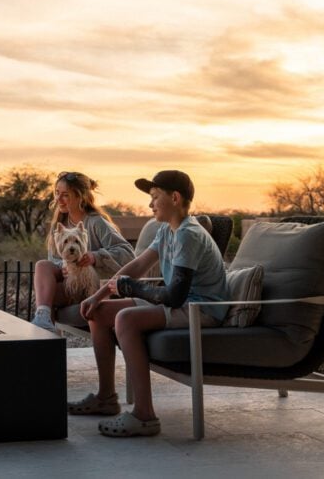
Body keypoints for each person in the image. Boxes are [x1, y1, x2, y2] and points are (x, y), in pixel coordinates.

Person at [75, 170, 228, 437]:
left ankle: (144, 415)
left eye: (155, 197)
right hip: (183, 305)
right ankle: (106, 397)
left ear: (175, 197)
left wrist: (132, 289)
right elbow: (137, 264)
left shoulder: (188, 234)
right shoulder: (168, 231)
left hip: (201, 309)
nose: (150, 204)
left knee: (125, 319)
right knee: (98, 313)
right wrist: (98, 295)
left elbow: (175, 296)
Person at [31, 171, 135, 331]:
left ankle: (45, 329)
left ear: (81, 197)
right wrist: (63, 265)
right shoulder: (59, 225)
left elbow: (128, 253)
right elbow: (53, 260)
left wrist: (95, 257)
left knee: (47, 295)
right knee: (43, 268)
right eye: (56, 193)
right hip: (71, 284)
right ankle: (44, 324)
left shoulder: (96, 222)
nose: (58, 199)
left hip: (94, 286)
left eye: (65, 195)